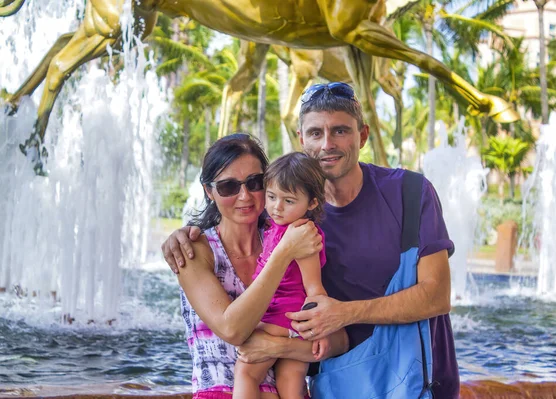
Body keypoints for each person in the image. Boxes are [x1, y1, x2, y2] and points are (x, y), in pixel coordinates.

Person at [163, 83, 460, 399]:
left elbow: (437, 296)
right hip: (336, 386)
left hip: (417, 385)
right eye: (316, 133)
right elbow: (232, 221)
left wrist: (342, 313)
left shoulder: (408, 193)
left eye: (341, 131)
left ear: (362, 135)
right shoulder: (284, 218)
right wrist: (182, 235)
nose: (327, 144)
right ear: (301, 139)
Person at [172, 133, 348, 399]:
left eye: (254, 183)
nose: (244, 195)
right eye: (228, 187)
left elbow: (339, 341)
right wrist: (284, 252)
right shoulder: (194, 250)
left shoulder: (292, 235)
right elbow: (233, 329)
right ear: (209, 191)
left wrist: (277, 347)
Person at [234, 152, 331, 399]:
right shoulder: (277, 225)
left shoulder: (302, 235)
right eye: (271, 196)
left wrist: (321, 331)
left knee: (246, 373)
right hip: (291, 324)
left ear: (312, 203)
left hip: (278, 319)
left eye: (288, 201)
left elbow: (315, 289)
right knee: (291, 385)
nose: (277, 207)